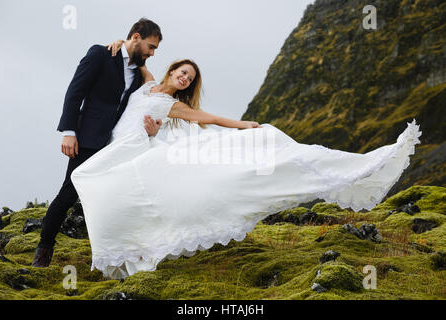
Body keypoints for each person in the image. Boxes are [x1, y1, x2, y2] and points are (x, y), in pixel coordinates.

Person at [70, 52, 422, 279]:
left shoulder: (170, 104)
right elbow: (140, 60)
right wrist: (120, 43)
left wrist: (244, 125)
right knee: (95, 181)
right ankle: (128, 245)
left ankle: (352, 166)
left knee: (206, 174)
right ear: (171, 69)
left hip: (141, 149)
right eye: (182, 72)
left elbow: (206, 116)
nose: (185, 79)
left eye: (190, 79)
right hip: (126, 148)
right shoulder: (147, 87)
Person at [32, 18, 164, 267]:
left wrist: (138, 59)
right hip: (87, 138)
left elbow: (152, 89)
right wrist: (69, 131)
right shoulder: (100, 55)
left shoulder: (138, 72)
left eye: (155, 49)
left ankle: (114, 255)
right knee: (69, 193)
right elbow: (75, 91)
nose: (152, 53)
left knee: (114, 196)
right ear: (136, 37)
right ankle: (44, 249)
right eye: (151, 46)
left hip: (114, 144)